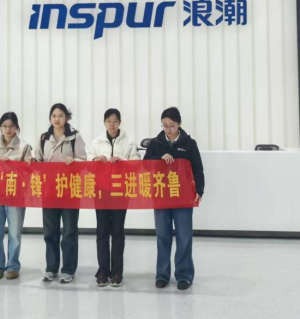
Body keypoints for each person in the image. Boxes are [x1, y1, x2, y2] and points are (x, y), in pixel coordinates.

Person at [143, 107, 204, 291]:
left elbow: (198, 169)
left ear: (179, 124)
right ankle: (162, 274)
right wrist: (159, 157)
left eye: (172, 125)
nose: (168, 129)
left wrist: (199, 190)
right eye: (165, 125)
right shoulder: (156, 143)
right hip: (161, 196)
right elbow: (144, 165)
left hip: (182, 197)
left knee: (184, 237)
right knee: (163, 236)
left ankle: (184, 275)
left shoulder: (189, 144)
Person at [32, 103, 87, 284]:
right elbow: (38, 159)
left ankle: (68, 269)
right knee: (50, 231)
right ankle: (51, 268)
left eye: (61, 116)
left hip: (69, 189)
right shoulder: (43, 137)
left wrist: (74, 161)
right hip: (49, 190)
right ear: (50, 118)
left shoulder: (75, 137)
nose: (57, 119)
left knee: (69, 231)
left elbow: (84, 161)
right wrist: (33, 161)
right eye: (54, 116)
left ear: (66, 118)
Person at [87, 108, 141, 288]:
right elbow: (87, 163)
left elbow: (137, 163)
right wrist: (96, 160)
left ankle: (117, 272)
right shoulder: (96, 142)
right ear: (104, 122)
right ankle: (103, 271)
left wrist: (123, 162)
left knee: (117, 232)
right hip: (101, 192)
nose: (112, 124)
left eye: (115, 121)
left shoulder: (128, 142)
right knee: (102, 232)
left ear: (120, 122)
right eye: (109, 121)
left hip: (120, 192)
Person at [0, 112, 33, 280]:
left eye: (11, 126)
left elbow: (29, 172)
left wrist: (23, 166)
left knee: (15, 233)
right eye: (4, 126)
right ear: (0, 128)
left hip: (16, 196)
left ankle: (13, 266)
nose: (8, 129)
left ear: (17, 127)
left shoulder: (24, 147)